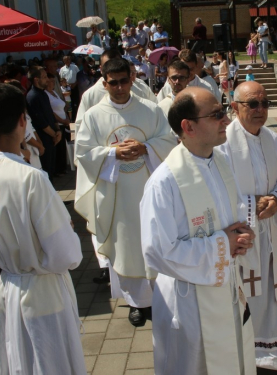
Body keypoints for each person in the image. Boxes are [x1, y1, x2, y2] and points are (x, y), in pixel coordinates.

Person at [140, 86, 257, 375]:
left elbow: (233, 213)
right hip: (188, 300)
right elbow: (157, 251)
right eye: (216, 115)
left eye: (224, 111)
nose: (227, 121)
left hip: (225, 287)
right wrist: (223, 244)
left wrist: (243, 234)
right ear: (188, 126)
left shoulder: (221, 161)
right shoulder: (164, 182)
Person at [0, 83, 86, 374]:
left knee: (19, 360)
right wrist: (66, 227)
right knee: (50, 361)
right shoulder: (31, 178)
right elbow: (66, 254)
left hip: (9, 284)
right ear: (23, 120)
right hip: (43, 288)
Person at [74, 58, 177, 327]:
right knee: (125, 245)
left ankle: (160, 297)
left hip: (148, 189)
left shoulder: (150, 109)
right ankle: (136, 303)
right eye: (113, 83)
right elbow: (82, 152)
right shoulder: (94, 115)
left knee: (152, 241)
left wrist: (146, 148)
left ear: (132, 79)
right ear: (104, 82)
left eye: (123, 81)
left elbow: (168, 140)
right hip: (116, 192)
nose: (119, 88)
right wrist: (112, 153)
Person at [218, 81, 277, 373]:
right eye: (253, 104)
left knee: (273, 295)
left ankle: (276, 358)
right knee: (246, 296)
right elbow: (215, 191)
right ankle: (245, 353)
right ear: (235, 107)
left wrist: (276, 200)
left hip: (271, 236)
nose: (260, 110)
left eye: (265, 104)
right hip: (242, 238)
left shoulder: (274, 140)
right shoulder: (222, 142)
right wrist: (251, 206)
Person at [75, 49, 157, 137]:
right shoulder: (90, 95)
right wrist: (113, 151)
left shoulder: (140, 88)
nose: (120, 87)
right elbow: (82, 132)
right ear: (101, 69)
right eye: (108, 66)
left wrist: (146, 146)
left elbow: (156, 118)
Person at [26, 66, 61, 182]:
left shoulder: (43, 94)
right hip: (44, 139)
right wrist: (54, 134)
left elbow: (51, 114)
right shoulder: (32, 97)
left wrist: (58, 130)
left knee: (51, 170)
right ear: (36, 79)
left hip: (51, 138)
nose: (47, 80)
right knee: (45, 173)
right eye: (45, 77)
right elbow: (40, 122)